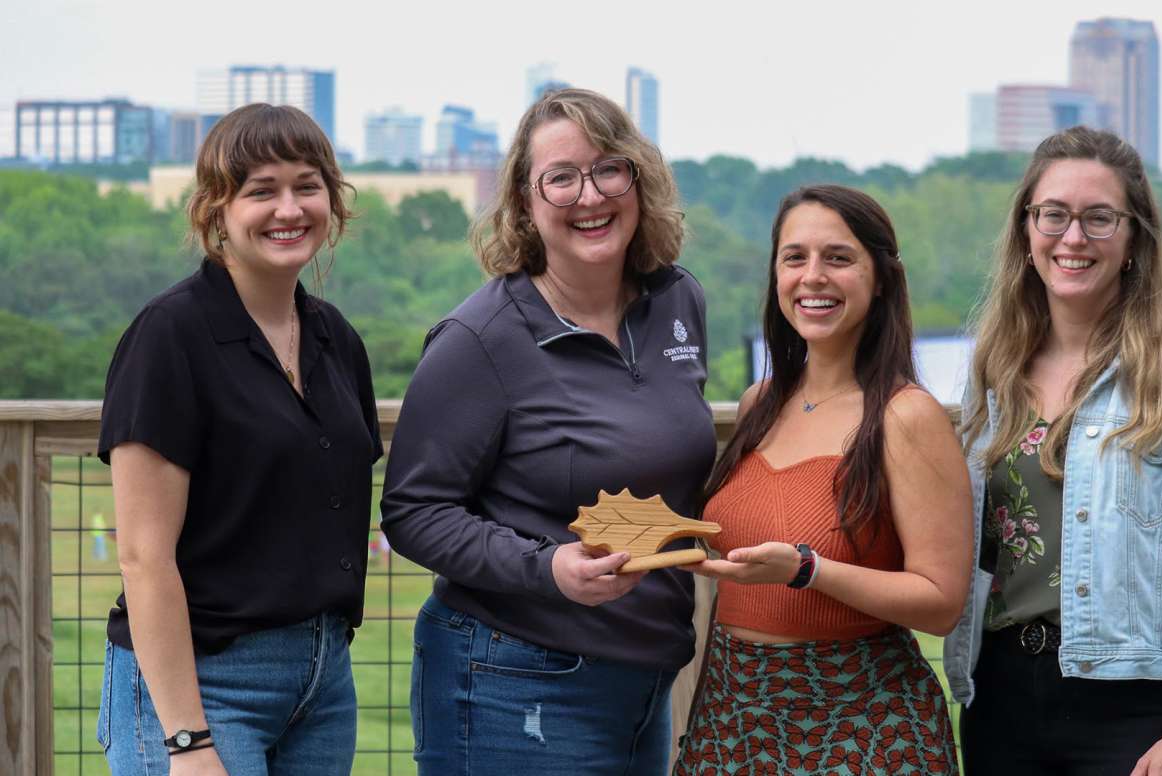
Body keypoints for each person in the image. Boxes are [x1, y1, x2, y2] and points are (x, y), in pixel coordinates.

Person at [380, 88, 717, 775]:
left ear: (639, 179)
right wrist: (546, 568)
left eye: (607, 169)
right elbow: (413, 511)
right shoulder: (481, 339)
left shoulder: (678, 301)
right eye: (560, 178)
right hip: (512, 682)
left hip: (643, 678)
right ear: (526, 205)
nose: (589, 195)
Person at [943, 126, 1162, 776]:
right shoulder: (994, 374)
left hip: (1141, 710)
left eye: (1098, 219)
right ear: (1026, 230)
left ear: (1133, 238)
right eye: (1054, 215)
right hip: (1003, 697)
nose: (1072, 238)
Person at [96, 103, 381, 776]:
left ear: (332, 200)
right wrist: (188, 742)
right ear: (215, 209)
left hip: (323, 683)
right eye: (262, 191)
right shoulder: (169, 338)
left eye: (307, 185)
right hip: (200, 683)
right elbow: (142, 558)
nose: (289, 208)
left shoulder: (335, 338)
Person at [675, 185, 971, 775]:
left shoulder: (906, 415)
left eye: (838, 258)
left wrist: (807, 569)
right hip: (734, 716)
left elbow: (941, 604)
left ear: (882, 277)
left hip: (863, 724)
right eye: (795, 258)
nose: (813, 277)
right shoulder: (761, 403)